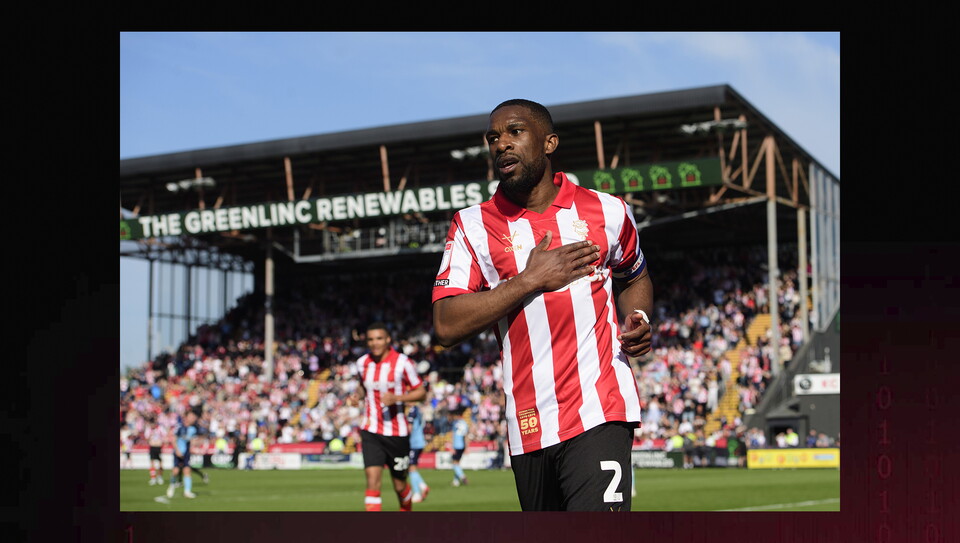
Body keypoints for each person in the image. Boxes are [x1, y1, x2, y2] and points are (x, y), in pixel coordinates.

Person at [432, 99, 653, 512]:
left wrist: (637, 316)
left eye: (515, 132)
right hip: (528, 423)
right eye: (493, 138)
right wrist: (529, 280)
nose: (501, 144)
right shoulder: (472, 225)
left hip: (599, 407)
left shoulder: (607, 211)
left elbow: (635, 275)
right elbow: (445, 325)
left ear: (549, 142)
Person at [347, 322, 426, 511]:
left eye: (379, 338)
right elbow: (362, 385)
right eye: (371, 339)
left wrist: (398, 398)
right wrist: (357, 396)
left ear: (388, 339)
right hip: (370, 430)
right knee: (373, 484)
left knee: (400, 487)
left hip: (397, 434)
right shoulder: (362, 363)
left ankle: (406, 512)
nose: (375, 343)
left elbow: (421, 392)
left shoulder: (402, 363)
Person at [166, 410, 201, 499]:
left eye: (194, 417)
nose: (193, 418)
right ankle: (171, 485)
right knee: (175, 471)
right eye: (191, 416)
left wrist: (194, 446)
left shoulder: (193, 429)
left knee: (187, 471)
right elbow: (174, 439)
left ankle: (187, 491)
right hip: (178, 452)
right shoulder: (179, 427)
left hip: (186, 453)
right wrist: (177, 450)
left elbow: (193, 441)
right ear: (186, 417)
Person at [407, 403, 431, 503]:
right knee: (412, 467)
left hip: (414, 442)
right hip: (419, 441)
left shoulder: (412, 410)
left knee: (411, 468)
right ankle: (421, 487)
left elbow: (410, 428)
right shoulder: (418, 410)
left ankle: (418, 492)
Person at [450, 409, 470, 487]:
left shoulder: (455, 423)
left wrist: (452, 446)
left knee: (454, 463)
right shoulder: (464, 423)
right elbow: (465, 436)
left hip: (456, 445)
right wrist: (466, 447)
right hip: (462, 445)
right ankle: (456, 481)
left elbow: (453, 435)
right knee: (457, 463)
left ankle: (463, 476)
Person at [146, 420, 165, 485]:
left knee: (160, 462)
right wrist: (150, 435)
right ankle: (153, 478)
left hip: (159, 447)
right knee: (152, 462)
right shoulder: (148, 430)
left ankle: (159, 477)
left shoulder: (160, 428)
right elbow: (147, 439)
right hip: (152, 447)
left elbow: (164, 436)